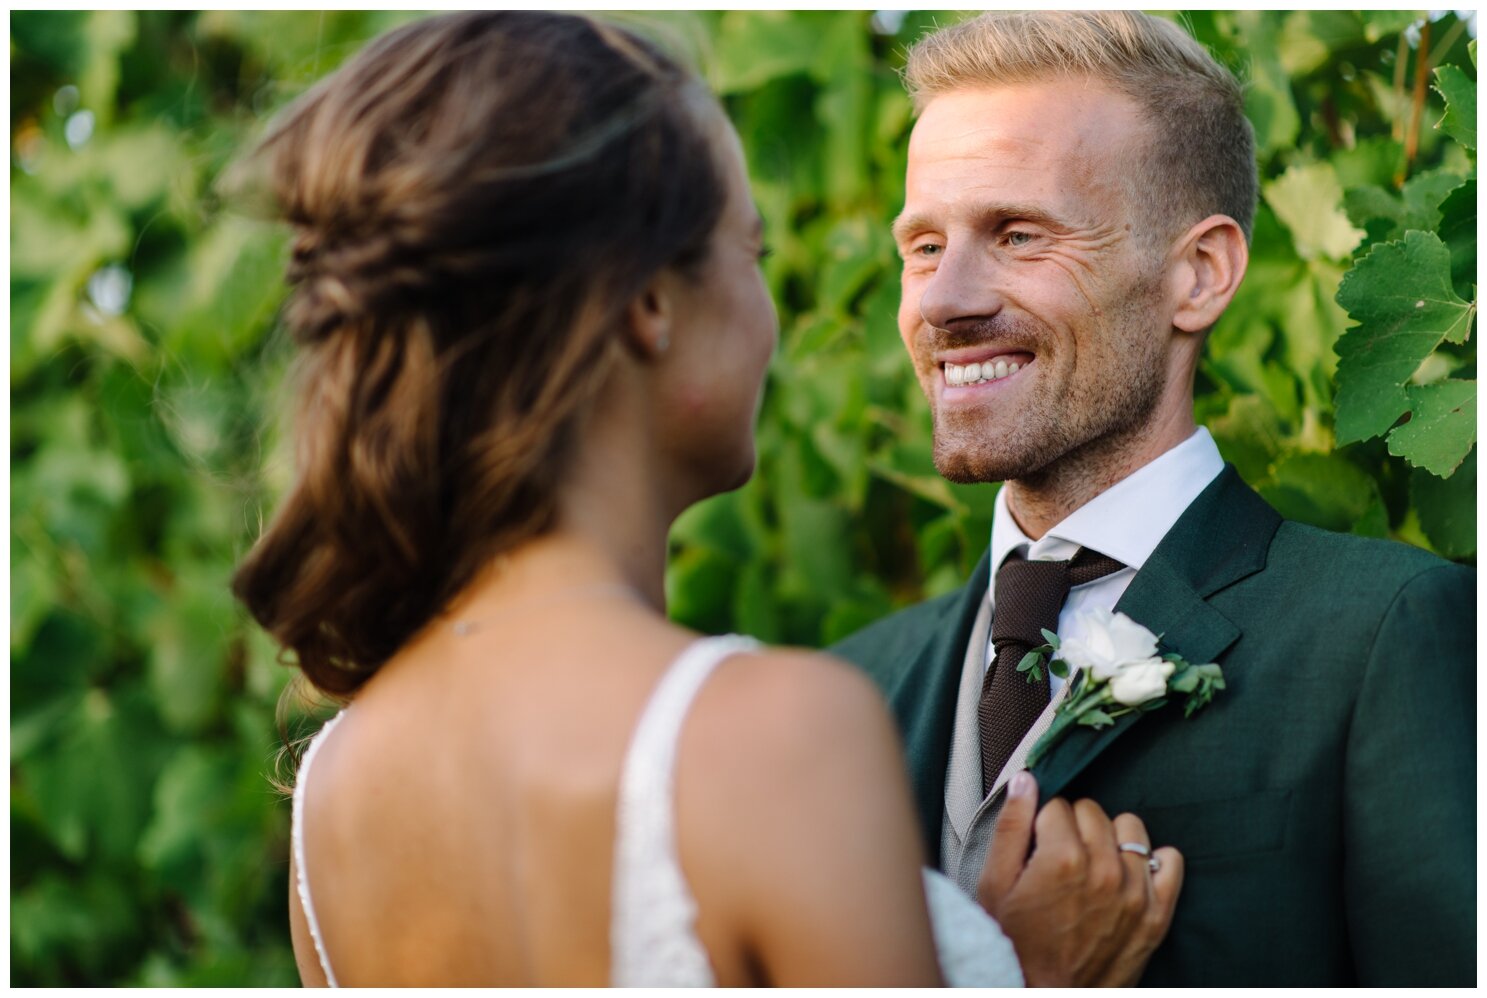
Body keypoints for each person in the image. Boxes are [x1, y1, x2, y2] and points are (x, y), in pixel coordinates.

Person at [231, 11, 1184, 987]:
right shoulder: (770, 732)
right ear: (648, 301)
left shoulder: (334, 789)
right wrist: (1028, 971)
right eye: (751, 250)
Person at [830, 9, 1475, 988]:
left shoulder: (1380, 633)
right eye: (921, 246)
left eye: (1015, 233)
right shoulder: (847, 696)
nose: (943, 300)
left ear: (1197, 273)